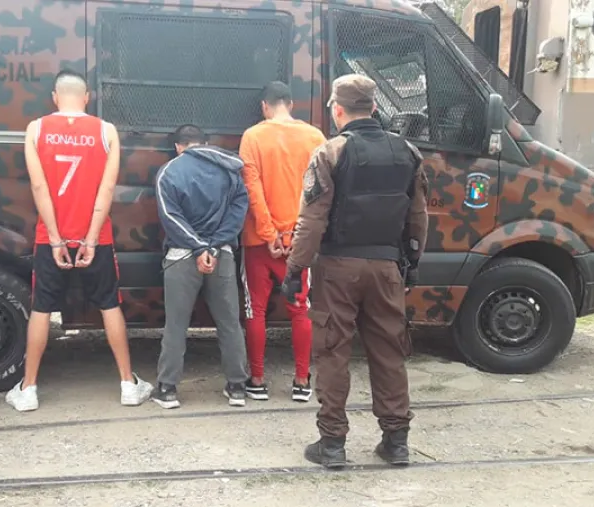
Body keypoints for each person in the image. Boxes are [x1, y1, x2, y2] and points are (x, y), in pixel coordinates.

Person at [282, 74, 428, 469]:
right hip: (386, 267)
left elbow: (312, 219)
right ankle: (396, 442)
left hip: (337, 269)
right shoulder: (408, 152)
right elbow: (417, 215)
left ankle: (332, 444)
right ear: (375, 108)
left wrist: (295, 269)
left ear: (338, 110)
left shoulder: (330, 152)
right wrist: (413, 261)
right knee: (389, 352)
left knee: (333, 352)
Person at [5, 69, 153, 411]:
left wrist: (57, 239)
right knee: (109, 305)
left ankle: (28, 389)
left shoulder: (36, 129)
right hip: (96, 238)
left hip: (50, 239)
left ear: (55, 97)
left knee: (41, 308)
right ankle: (128, 385)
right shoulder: (105, 131)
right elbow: (107, 188)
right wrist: (90, 238)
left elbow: (39, 187)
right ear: (87, 97)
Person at [238, 81, 327, 402]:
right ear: (291, 104)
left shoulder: (252, 137)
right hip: (299, 242)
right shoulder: (315, 137)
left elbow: (252, 188)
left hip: (259, 244)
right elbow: (320, 192)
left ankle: (257, 380)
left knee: (256, 310)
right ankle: (302, 381)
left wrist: (269, 233)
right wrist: (295, 233)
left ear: (264, 106)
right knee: (300, 309)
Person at [152, 124, 250, 409]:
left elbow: (170, 216)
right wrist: (213, 246)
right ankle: (237, 387)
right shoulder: (228, 170)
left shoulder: (169, 171)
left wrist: (198, 247)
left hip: (182, 256)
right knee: (229, 323)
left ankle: (168, 389)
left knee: (176, 325)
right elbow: (238, 212)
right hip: (222, 255)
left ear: (178, 146)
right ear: (205, 143)